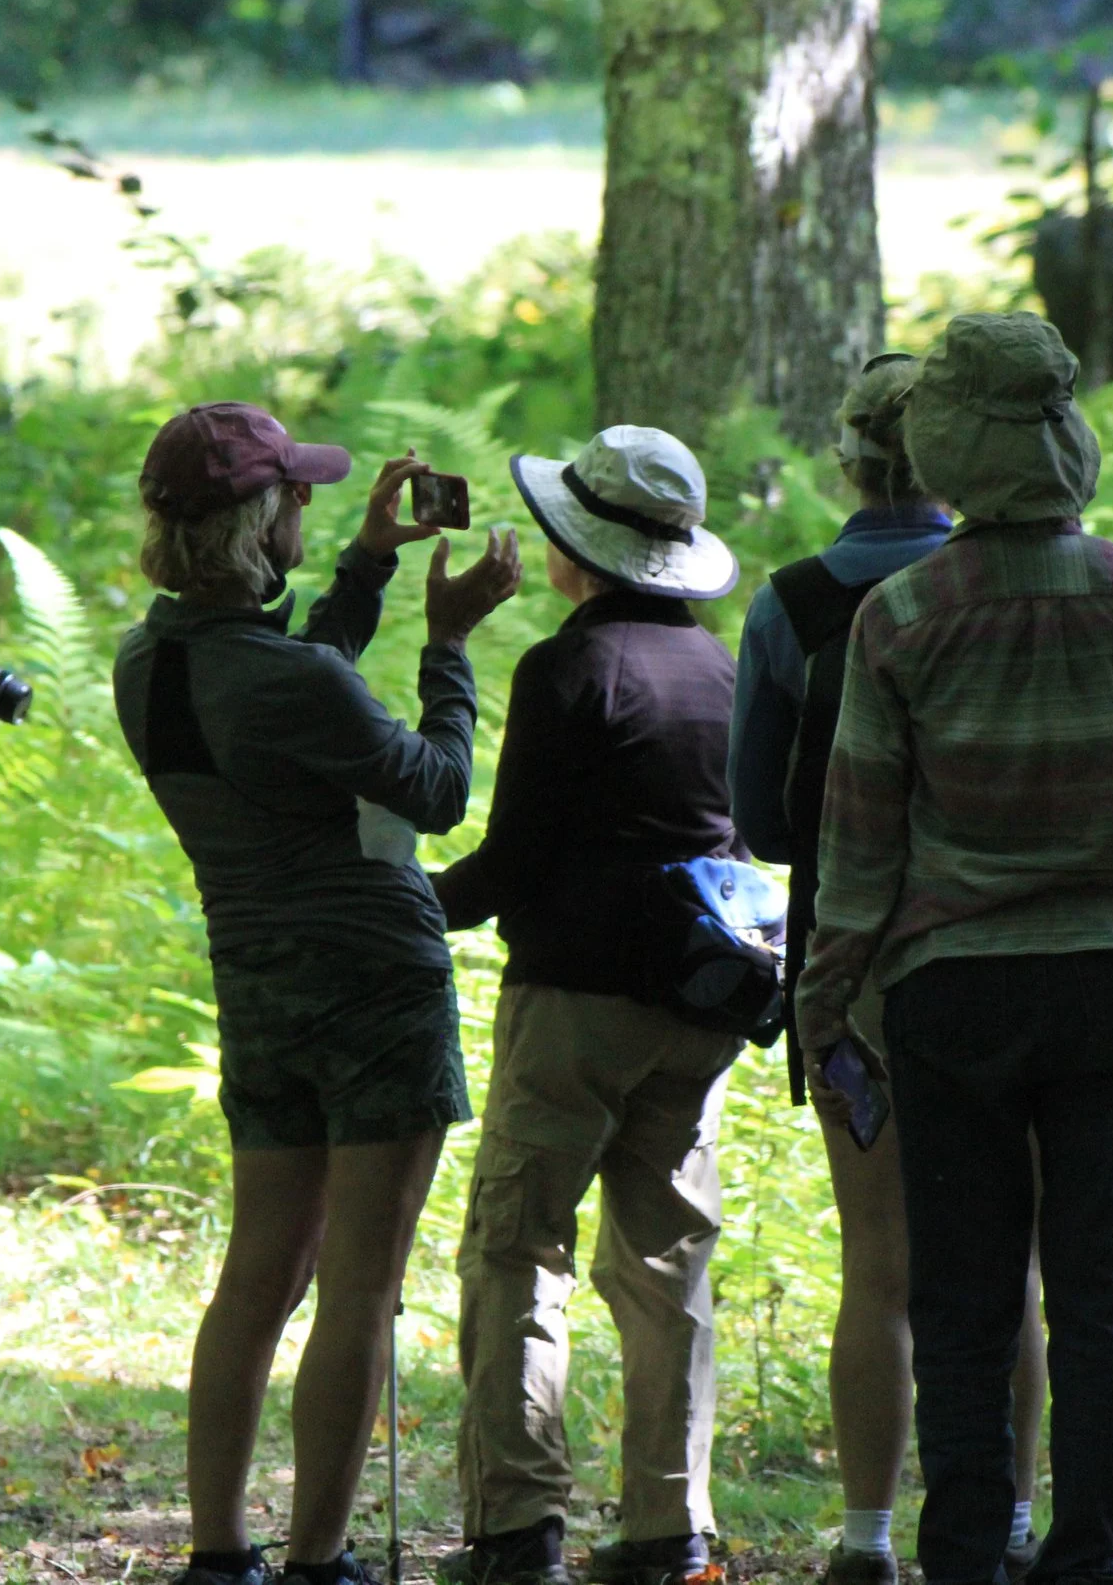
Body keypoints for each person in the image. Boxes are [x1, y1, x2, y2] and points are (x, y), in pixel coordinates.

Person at [793, 313, 1113, 1585]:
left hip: (954, 995)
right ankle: (1089, 1556)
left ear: (948, 454)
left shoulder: (902, 612)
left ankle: (960, 1556)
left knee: (962, 1295)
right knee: (1102, 1295)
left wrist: (824, 1006)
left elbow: (860, 848)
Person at [112, 404, 523, 1585]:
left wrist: (363, 569)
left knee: (260, 1268)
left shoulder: (152, 659)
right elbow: (435, 790)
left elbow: (299, 686)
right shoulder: (284, 677)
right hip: (374, 984)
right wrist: (449, 646)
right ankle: (320, 1557)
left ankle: (218, 1550)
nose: (310, 506)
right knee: (358, 1280)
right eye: (297, 497)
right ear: (259, 521)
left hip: (256, 983)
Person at [728, 357, 1048, 1585]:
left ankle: (864, 1538)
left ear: (845, 458)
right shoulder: (1006, 583)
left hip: (847, 957)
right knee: (1008, 1255)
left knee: (880, 1261)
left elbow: (757, 815)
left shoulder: (793, 600)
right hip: (997, 938)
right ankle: (1011, 1525)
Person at [430, 425, 745, 1585]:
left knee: (518, 1247)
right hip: (701, 1006)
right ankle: (671, 1529)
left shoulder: (568, 670)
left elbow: (511, 860)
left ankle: (518, 1526)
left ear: (576, 545)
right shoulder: (727, 672)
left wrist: (407, 904)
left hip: (572, 1002)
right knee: (666, 1265)